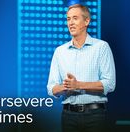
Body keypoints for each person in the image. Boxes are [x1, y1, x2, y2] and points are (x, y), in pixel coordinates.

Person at [47, 4, 116, 132]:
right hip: (68, 116)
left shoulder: (101, 47)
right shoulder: (60, 51)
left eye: (75, 18)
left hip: (95, 115)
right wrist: (67, 86)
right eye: (68, 19)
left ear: (86, 21)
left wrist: (78, 85)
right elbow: (51, 88)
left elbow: (110, 84)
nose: (70, 23)